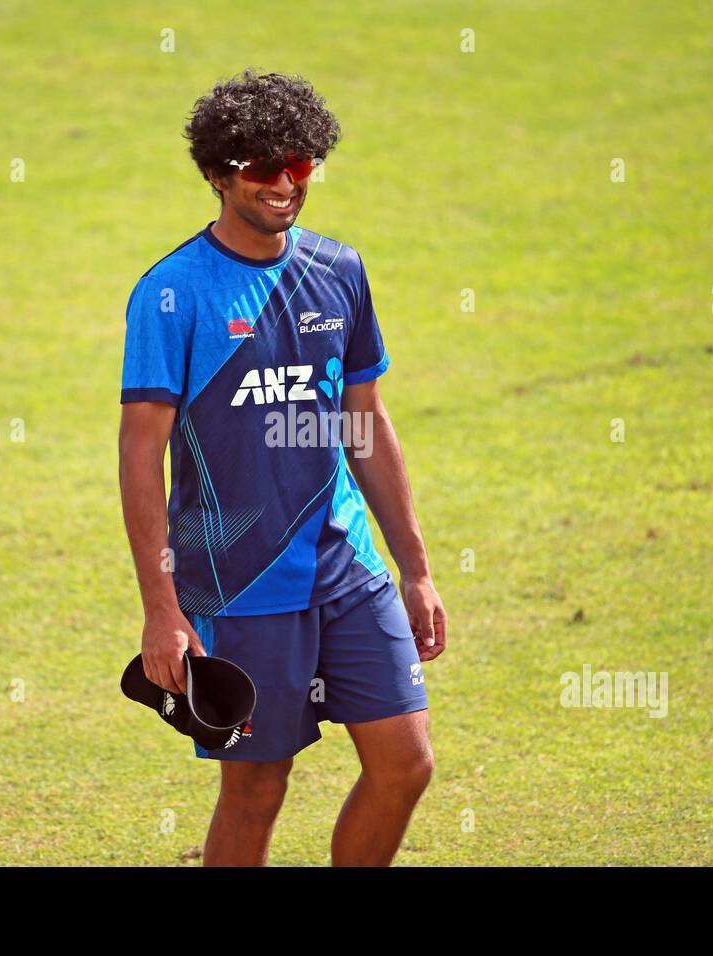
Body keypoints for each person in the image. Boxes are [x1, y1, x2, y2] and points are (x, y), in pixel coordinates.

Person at [118, 69, 446, 866]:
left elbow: (365, 421)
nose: (286, 185)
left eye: (301, 166)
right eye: (264, 169)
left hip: (346, 564)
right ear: (217, 174)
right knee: (258, 791)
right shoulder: (172, 294)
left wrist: (416, 568)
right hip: (239, 581)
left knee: (405, 765)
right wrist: (162, 610)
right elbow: (139, 457)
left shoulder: (340, 270)